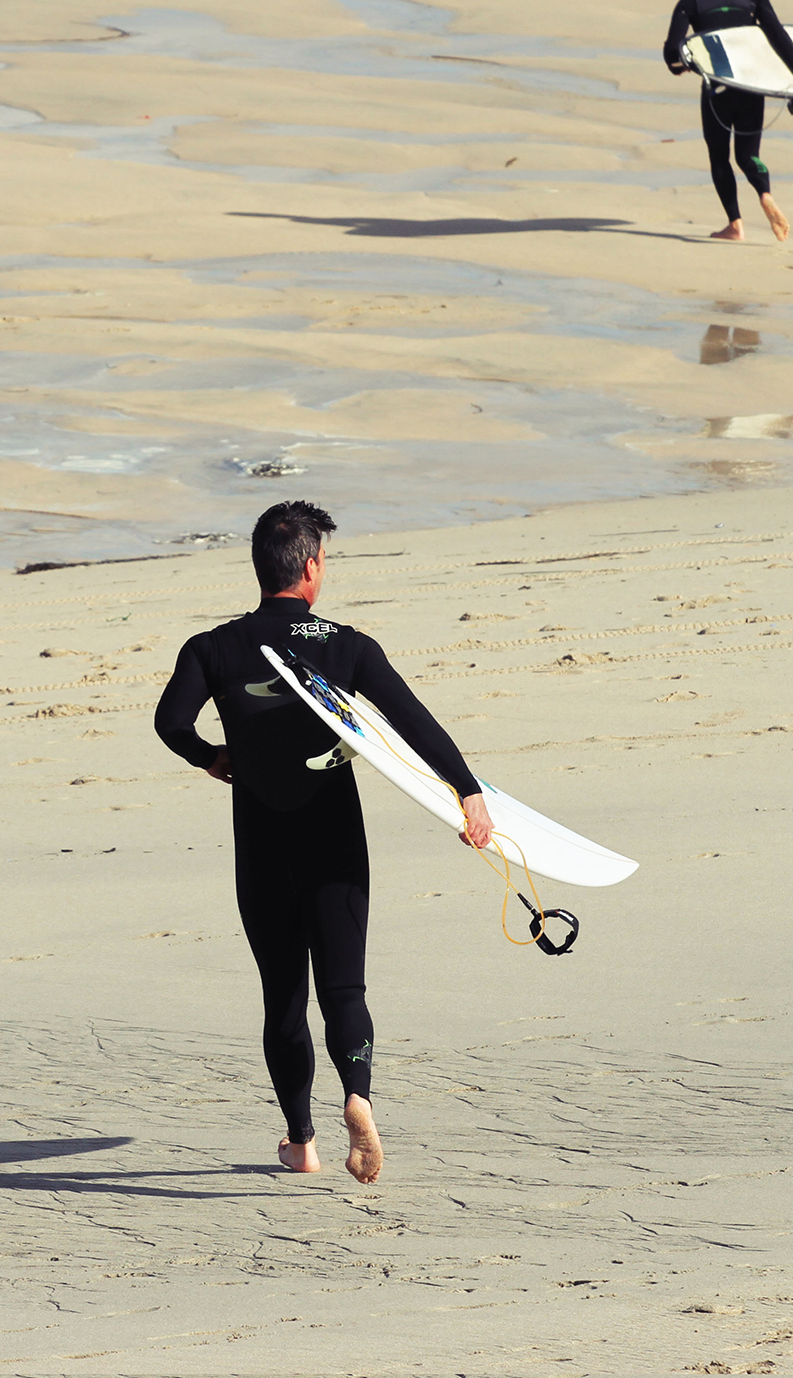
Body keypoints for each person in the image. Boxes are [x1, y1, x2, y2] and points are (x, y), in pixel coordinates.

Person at [153, 500, 494, 1184]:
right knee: (344, 986)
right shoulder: (347, 645)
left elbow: (169, 720)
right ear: (311, 567)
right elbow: (410, 721)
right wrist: (467, 789)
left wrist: (210, 756)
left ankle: (301, 1140)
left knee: (283, 995)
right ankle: (359, 1095)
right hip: (334, 837)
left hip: (261, 843)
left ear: (261, 567)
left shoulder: (212, 647)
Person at [664, 0, 793, 242]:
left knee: (719, 156)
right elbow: (778, 36)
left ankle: (735, 225)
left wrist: (682, 66)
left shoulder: (690, 2)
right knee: (749, 155)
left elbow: (672, 52)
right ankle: (764, 193)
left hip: (717, 89)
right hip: (751, 85)